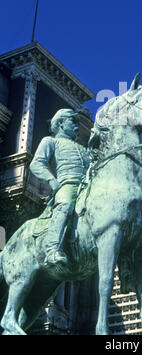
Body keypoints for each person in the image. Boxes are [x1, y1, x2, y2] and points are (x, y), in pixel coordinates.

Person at [30, 108, 90, 266]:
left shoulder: (84, 149)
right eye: (73, 121)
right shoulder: (50, 141)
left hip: (88, 186)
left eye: (78, 122)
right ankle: (52, 249)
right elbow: (36, 164)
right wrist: (51, 180)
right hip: (67, 184)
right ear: (61, 123)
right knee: (66, 205)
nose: (77, 125)